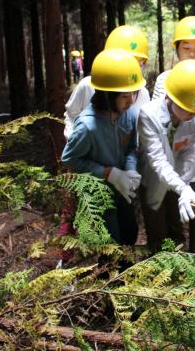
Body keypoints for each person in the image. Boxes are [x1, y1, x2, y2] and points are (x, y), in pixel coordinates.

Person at [61, 48, 146, 246]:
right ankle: (109, 276)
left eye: (133, 94)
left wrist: (131, 169)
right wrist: (108, 173)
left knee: (130, 231)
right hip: (98, 192)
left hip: (122, 188)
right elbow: (71, 160)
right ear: (107, 95)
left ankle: (126, 274)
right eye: (124, 96)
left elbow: (132, 147)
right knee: (110, 240)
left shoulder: (129, 115)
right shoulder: (87, 127)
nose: (131, 101)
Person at [138, 60, 195, 253]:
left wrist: (185, 183)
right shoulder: (148, 115)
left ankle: (178, 274)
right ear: (170, 97)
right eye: (186, 108)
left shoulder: (194, 117)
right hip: (153, 180)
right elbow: (158, 161)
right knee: (157, 232)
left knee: (177, 231)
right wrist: (183, 188)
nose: (192, 114)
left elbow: (190, 150)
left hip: (178, 180)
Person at [64, 25, 151, 139]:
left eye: (138, 63)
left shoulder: (143, 93)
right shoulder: (88, 86)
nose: (131, 68)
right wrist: (76, 142)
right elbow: (71, 116)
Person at [152, 16, 195, 100]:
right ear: (177, 49)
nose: (192, 54)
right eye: (186, 48)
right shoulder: (163, 80)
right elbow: (152, 112)